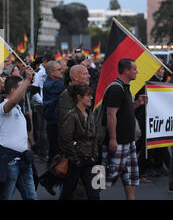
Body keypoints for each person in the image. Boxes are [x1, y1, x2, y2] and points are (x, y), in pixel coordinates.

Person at [0, 66, 37, 200]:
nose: (25, 90)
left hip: (24, 160)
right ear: (14, 90)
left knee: (32, 196)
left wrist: (28, 149)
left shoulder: (19, 110)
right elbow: (14, 100)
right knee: (5, 197)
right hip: (9, 161)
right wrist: (27, 79)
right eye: (22, 87)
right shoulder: (2, 108)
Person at [101, 58, 148, 200]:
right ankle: (89, 195)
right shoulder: (116, 88)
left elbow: (124, 112)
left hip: (129, 142)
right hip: (118, 142)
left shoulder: (125, 87)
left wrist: (137, 103)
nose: (137, 72)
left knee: (131, 176)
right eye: (134, 69)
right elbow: (111, 114)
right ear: (126, 71)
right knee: (104, 178)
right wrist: (113, 139)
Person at [58, 84, 100, 200]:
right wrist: (76, 159)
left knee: (94, 194)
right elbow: (65, 139)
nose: (91, 98)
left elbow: (94, 137)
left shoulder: (91, 114)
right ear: (79, 97)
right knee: (68, 192)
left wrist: (94, 156)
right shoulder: (71, 115)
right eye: (88, 95)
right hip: (75, 161)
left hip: (89, 160)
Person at [42, 61, 65, 168]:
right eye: (59, 69)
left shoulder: (56, 82)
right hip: (54, 123)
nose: (62, 71)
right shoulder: (50, 84)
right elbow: (66, 86)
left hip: (57, 121)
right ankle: (51, 175)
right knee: (55, 151)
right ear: (51, 73)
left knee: (56, 151)